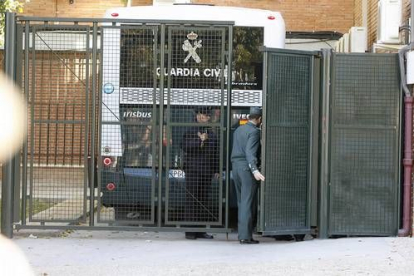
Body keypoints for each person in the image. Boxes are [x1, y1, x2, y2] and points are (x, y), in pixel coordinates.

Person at [181, 106, 219, 240]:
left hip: (206, 172)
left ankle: (201, 230)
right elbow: (184, 146)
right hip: (193, 171)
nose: (203, 117)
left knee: (203, 201)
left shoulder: (212, 133)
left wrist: (216, 169)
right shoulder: (191, 130)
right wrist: (200, 140)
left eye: (206, 115)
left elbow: (215, 153)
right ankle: (190, 232)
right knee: (192, 201)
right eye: (201, 115)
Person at [231, 106, 265, 244]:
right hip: (247, 168)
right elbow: (250, 152)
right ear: (259, 119)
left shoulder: (239, 129)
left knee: (242, 201)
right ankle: (245, 236)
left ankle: (243, 234)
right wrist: (255, 170)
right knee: (247, 202)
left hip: (236, 167)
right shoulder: (254, 132)